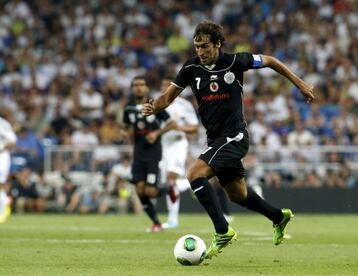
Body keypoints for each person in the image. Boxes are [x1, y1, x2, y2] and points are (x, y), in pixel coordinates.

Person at [143, 21, 314, 259]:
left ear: (218, 44)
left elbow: (271, 61)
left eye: (205, 46)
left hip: (235, 135)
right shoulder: (191, 68)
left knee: (194, 174)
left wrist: (301, 84)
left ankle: (222, 231)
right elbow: (168, 97)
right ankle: (278, 216)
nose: (200, 52)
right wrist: (154, 106)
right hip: (215, 139)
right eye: (197, 47)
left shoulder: (236, 62)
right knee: (237, 195)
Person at [123, 76, 177, 232]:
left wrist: (156, 133)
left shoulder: (155, 105)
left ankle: (169, 191)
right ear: (133, 88)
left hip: (153, 153)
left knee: (149, 191)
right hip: (138, 153)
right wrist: (125, 133)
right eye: (135, 85)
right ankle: (156, 223)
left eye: (141, 84)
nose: (138, 87)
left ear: (146, 88)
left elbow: (172, 124)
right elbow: (126, 127)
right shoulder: (129, 108)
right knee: (139, 189)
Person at [158, 78, 200, 229]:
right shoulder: (158, 103)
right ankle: (187, 184)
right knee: (166, 182)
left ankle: (172, 219)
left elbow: (195, 128)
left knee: (170, 178)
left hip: (178, 144)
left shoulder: (184, 105)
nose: (166, 89)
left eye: (169, 86)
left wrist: (179, 128)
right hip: (161, 145)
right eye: (164, 86)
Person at [0, 111, 17, 223]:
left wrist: (1, 145)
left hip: (1, 156)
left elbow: (13, 142)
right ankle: (5, 200)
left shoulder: (2, 124)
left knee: (0, 184)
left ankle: (1, 211)